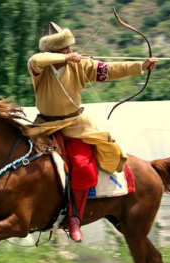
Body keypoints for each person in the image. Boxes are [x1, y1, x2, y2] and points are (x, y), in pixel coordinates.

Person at [27, 22, 158, 242]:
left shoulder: (81, 66)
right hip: (43, 125)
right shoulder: (40, 68)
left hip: (74, 125)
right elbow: (36, 60)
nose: (70, 51)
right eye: (65, 48)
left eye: (69, 48)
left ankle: (74, 219)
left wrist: (141, 66)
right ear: (55, 51)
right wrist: (67, 59)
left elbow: (111, 70)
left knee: (84, 168)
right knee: (23, 162)